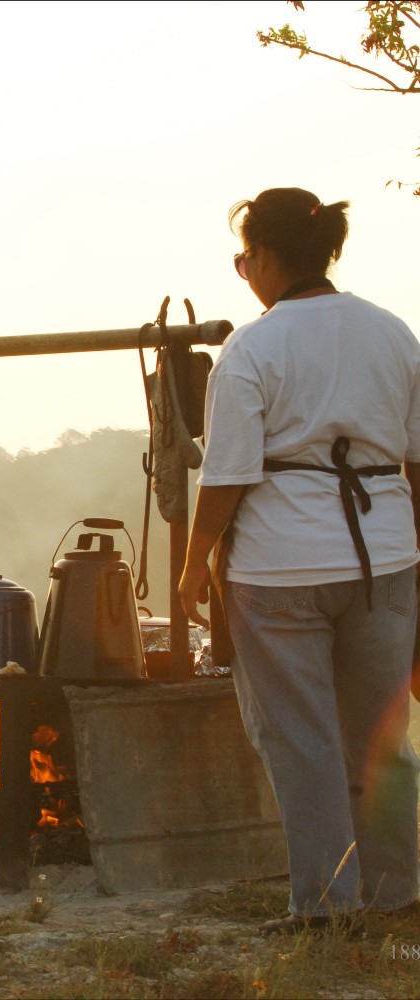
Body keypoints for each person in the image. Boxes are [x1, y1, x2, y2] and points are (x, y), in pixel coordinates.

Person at [178, 188, 420, 934]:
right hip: (385, 561)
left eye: (245, 256)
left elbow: (226, 475)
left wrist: (194, 568)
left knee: (301, 742)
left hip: (281, 571)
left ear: (272, 257)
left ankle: (323, 908)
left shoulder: (253, 346)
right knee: (379, 736)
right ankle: (399, 897)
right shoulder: (393, 334)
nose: (243, 269)